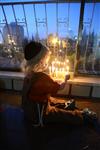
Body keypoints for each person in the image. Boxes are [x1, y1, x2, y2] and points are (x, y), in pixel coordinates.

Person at [21, 41, 97, 126]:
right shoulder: (42, 77)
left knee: (52, 100)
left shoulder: (28, 75)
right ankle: (83, 116)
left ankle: (66, 105)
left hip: (28, 109)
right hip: (39, 114)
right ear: (41, 60)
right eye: (46, 58)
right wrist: (65, 80)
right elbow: (60, 87)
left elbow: (41, 89)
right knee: (61, 115)